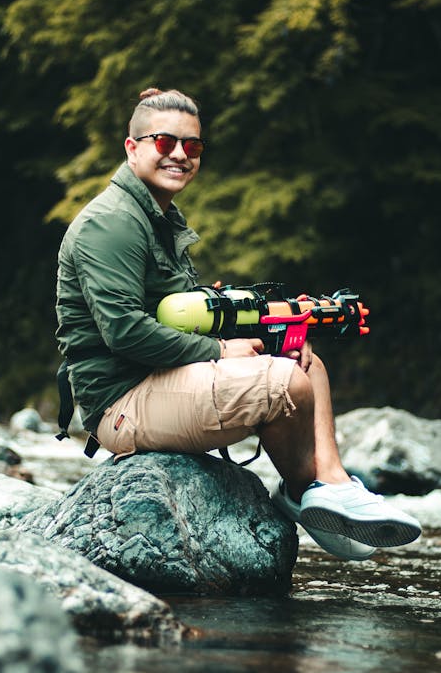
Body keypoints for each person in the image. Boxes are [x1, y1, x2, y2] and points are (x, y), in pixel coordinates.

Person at [56, 87, 421, 561]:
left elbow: (188, 319)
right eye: (166, 143)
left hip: (164, 379)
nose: (181, 155)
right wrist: (222, 352)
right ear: (133, 147)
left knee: (306, 365)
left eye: (194, 146)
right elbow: (124, 332)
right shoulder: (111, 223)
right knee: (283, 383)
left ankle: (327, 486)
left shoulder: (160, 218)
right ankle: (305, 489)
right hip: (123, 404)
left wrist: (262, 339)